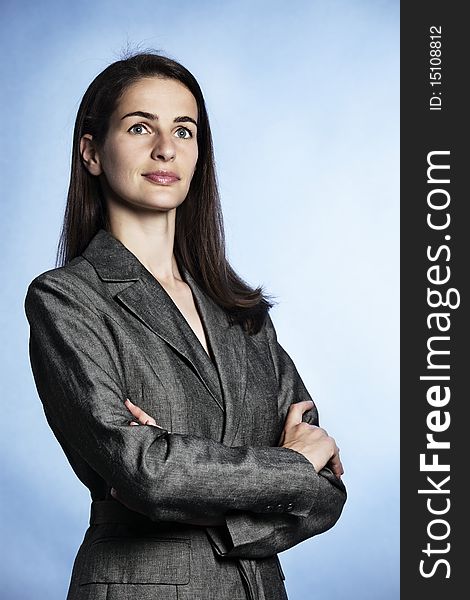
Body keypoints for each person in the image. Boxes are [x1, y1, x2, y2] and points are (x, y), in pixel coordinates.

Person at [24, 51, 347, 600]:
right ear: (92, 152)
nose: (165, 148)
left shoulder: (241, 311)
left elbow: (327, 490)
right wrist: (289, 466)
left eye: (184, 130)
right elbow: (147, 474)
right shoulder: (67, 299)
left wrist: (185, 482)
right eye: (139, 126)